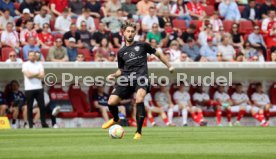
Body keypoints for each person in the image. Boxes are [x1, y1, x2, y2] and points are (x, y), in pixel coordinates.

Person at [101, 22, 174, 140]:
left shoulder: (143, 45)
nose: (130, 34)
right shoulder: (121, 52)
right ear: (123, 33)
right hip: (126, 78)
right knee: (111, 102)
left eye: (132, 31)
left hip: (141, 77)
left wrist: (169, 66)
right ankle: (115, 119)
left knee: (139, 98)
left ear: (135, 33)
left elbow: (159, 54)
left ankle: (138, 132)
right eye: (128, 31)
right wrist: (114, 75)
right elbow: (121, 69)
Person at [22, 51, 48, 128]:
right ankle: (30, 124)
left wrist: (33, 74)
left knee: (42, 106)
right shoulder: (25, 64)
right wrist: (37, 74)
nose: (32, 57)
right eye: (31, 55)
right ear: (28, 56)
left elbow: (42, 76)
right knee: (29, 107)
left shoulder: (39, 64)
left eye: (33, 55)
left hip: (39, 88)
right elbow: (28, 75)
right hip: (29, 89)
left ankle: (44, 123)